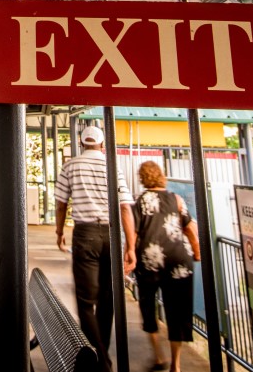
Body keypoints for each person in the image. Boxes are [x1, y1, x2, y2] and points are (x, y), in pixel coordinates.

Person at [55, 125, 137, 370]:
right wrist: (130, 246)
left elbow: (61, 204)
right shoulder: (112, 167)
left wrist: (59, 232)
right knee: (108, 298)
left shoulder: (70, 166)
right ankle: (101, 353)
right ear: (102, 145)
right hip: (112, 235)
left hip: (85, 234)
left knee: (85, 299)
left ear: (81, 144)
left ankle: (99, 358)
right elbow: (125, 208)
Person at [132, 160, 200, 372]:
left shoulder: (139, 202)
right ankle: (176, 364)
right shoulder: (176, 199)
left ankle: (159, 357)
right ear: (161, 176)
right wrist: (197, 252)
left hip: (149, 262)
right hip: (177, 260)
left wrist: (130, 256)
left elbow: (134, 234)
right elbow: (189, 229)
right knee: (176, 312)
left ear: (142, 178)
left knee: (148, 309)